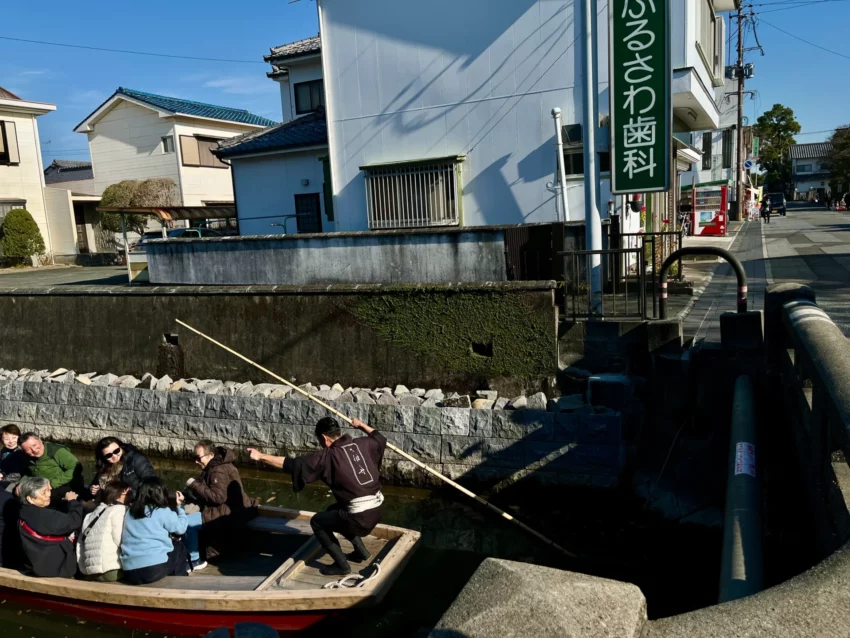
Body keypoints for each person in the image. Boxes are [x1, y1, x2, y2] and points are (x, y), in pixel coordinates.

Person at [248, 417, 387, 576]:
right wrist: (361, 425)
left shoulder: (327, 456)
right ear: (339, 432)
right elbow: (379, 438)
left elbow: (292, 465)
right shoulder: (363, 443)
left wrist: (260, 456)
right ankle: (361, 552)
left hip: (360, 518)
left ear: (324, 438)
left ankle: (342, 566)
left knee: (318, 522)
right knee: (333, 510)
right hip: (379, 508)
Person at [183, 441, 258, 567]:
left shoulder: (218, 471)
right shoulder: (215, 466)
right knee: (188, 515)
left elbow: (218, 497)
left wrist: (194, 484)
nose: (196, 461)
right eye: (194, 458)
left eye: (198, 458)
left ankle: (195, 559)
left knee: (189, 523)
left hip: (227, 513)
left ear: (210, 455)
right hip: (230, 510)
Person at [120, 477, 190, 585]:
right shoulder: (161, 511)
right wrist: (180, 507)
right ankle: (180, 583)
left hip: (130, 571)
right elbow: (180, 529)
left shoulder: (130, 512)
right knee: (179, 548)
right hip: (152, 569)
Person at [17, 476, 82, 578]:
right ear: (30, 498)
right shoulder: (42, 515)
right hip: (54, 567)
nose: (49, 494)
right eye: (43, 492)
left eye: (49, 490)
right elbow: (75, 521)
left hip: (34, 563)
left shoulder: (24, 511)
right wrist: (73, 502)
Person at [76, 480, 131, 582]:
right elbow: (120, 540)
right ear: (122, 493)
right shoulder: (118, 510)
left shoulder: (91, 514)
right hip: (110, 571)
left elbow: (80, 543)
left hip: (89, 571)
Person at [19, 433, 85, 503]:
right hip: (41, 486)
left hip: (63, 485)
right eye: (28, 449)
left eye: (34, 445)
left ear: (40, 439)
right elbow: (28, 473)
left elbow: (77, 468)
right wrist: (22, 484)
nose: (34, 450)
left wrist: (52, 483)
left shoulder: (57, 451)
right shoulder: (27, 457)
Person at [90, 437, 156, 498]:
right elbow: (94, 484)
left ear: (121, 447)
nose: (114, 457)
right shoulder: (104, 466)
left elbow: (151, 484)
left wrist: (125, 494)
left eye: (116, 451)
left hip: (133, 502)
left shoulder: (136, 459)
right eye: (109, 455)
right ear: (103, 458)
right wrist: (93, 490)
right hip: (110, 501)